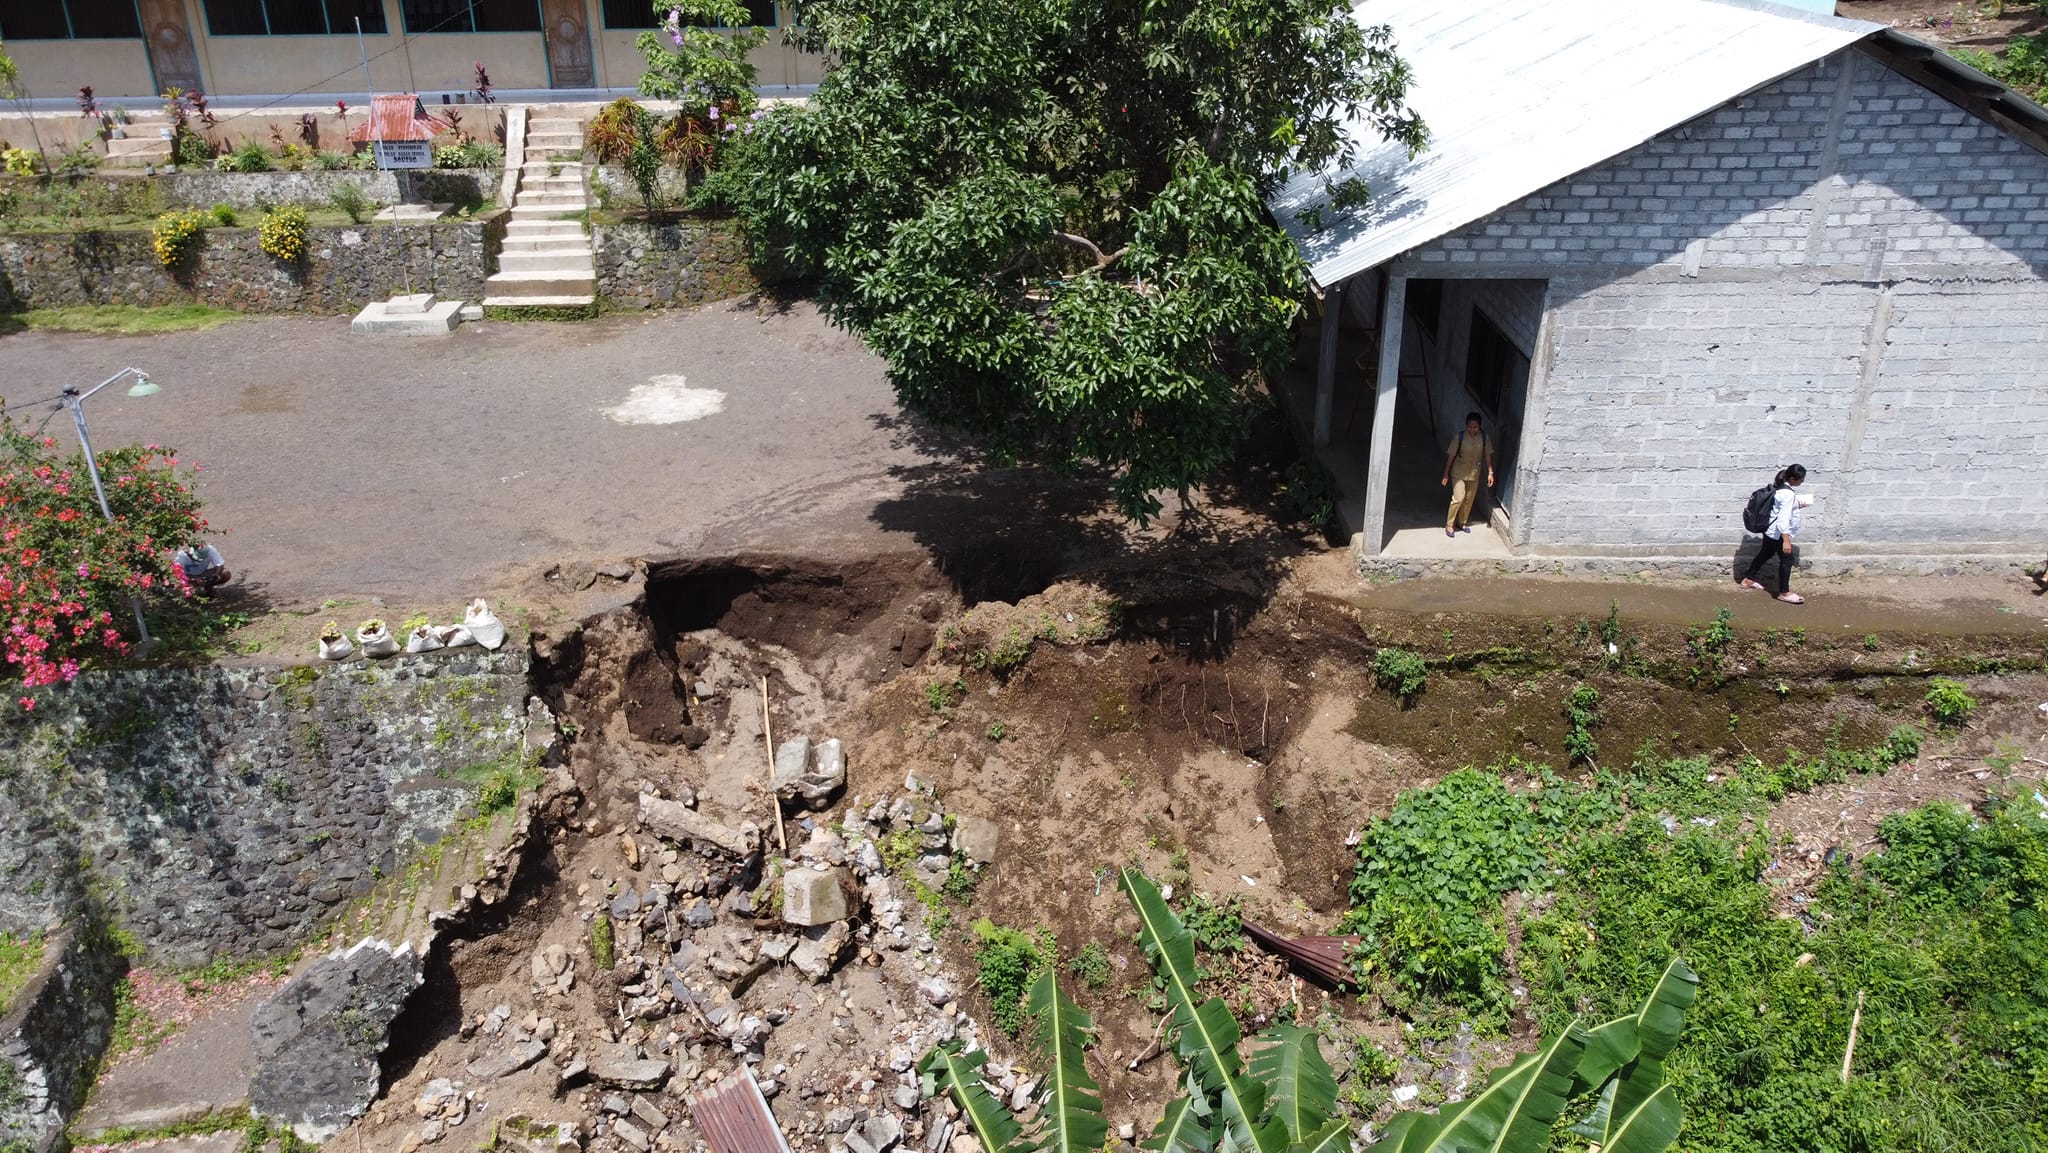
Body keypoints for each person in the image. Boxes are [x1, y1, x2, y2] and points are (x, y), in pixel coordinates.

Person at [1740, 464, 1808, 604]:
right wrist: (1786, 541)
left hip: (1769, 530)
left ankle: (1748, 580)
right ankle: (1784, 592)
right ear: (1792, 479)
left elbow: (1777, 509)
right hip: (1778, 533)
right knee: (1787, 560)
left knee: (1766, 553)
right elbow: (1783, 518)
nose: (1802, 481)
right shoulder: (1788, 494)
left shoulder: (1779, 488)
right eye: (1801, 479)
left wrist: (1796, 505)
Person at [1440, 412, 1495, 538]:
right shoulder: (1459, 437)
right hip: (1458, 472)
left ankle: (1462, 522)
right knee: (1458, 498)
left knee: (1468, 500)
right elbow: (1451, 456)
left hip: (1474, 474)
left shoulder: (1484, 438)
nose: (1472, 429)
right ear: (1466, 426)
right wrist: (1445, 474)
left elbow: (1487, 455)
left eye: (1475, 427)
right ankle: (1449, 524)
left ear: (1479, 426)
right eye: (1469, 426)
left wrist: (1490, 472)